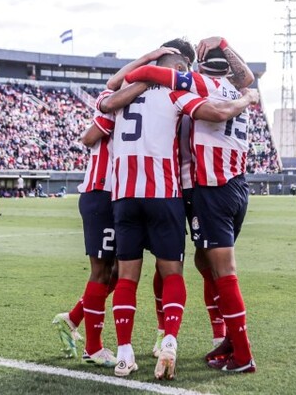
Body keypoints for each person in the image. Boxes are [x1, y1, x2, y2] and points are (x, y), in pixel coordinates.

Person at [99, 38, 258, 380]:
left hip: (201, 188)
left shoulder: (193, 85)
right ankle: (222, 339)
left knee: (218, 269)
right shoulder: (234, 86)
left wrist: (156, 63)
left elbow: (117, 89)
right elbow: (247, 82)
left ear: (197, 67)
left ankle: (239, 351)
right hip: (230, 184)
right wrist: (246, 94)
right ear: (228, 65)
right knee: (202, 265)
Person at [52, 46, 181, 369]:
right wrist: (150, 71)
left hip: (122, 193)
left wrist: (146, 70)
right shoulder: (121, 104)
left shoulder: (122, 98)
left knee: (117, 274)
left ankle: (72, 319)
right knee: (107, 272)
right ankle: (93, 346)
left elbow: (112, 87)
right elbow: (89, 134)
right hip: (105, 191)